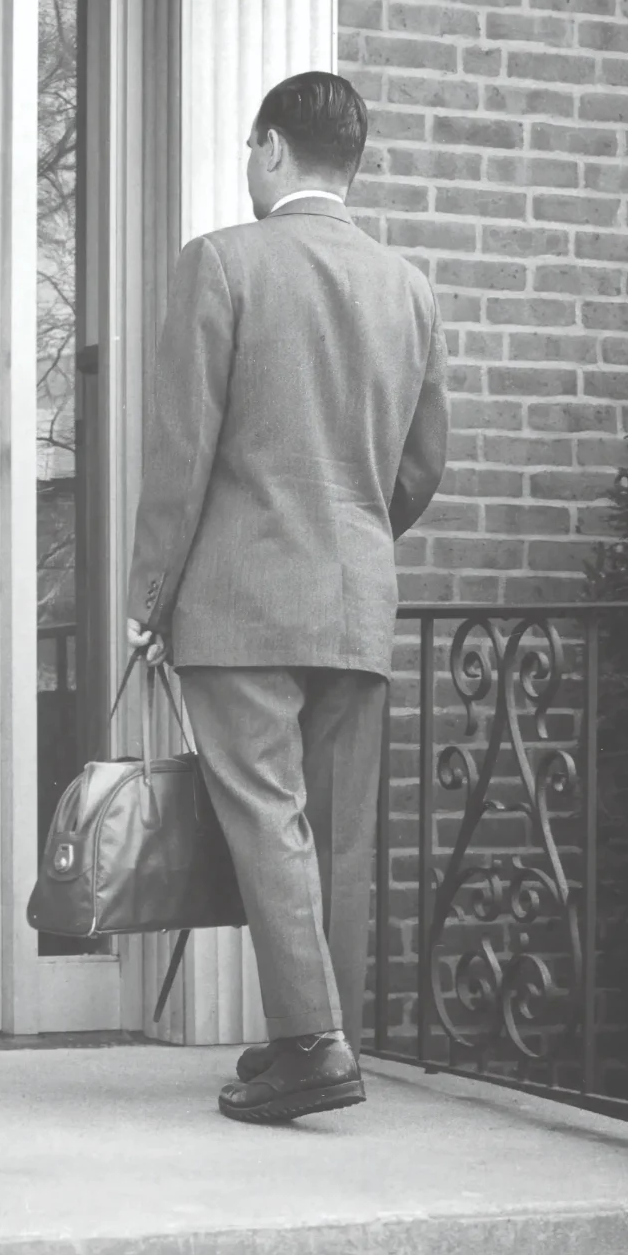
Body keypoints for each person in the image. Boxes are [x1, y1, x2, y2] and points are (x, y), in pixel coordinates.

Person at [125, 72, 448, 1124]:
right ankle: (317, 1037)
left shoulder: (222, 261)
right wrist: (350, 538)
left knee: (267, 821)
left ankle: (308, 1047)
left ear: (270, 149)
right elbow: (421, 465)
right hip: (354, 601)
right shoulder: (408, 286)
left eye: (247, 149)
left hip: (242, 599)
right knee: (335, 836)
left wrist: (148, 594)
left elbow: (182, 454)